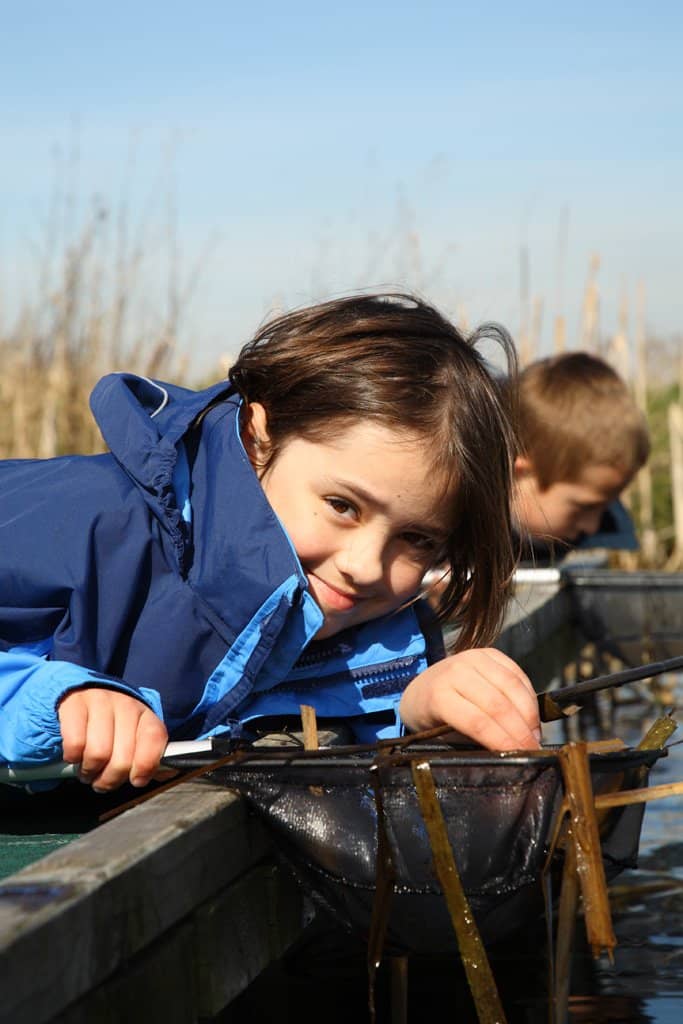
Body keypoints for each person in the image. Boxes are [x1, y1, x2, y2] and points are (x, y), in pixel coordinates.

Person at [0, 293, 541, 793]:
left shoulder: (367, 625)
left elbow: (295, 700)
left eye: (416, 538)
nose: (365, 566)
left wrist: (416, 708)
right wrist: (51, 698)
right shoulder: (86, 522)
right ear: (259, 438)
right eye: (343, 506)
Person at [512, 352, 650, 563]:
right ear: (522, 473)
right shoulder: (462, 534)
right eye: (584, 507)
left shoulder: (587, 527)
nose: (593, 526)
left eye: (606, 505)